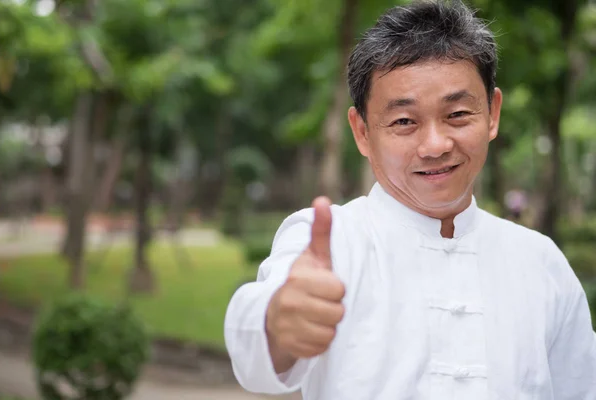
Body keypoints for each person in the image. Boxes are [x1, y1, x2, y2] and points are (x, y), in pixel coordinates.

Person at [224, 1, 596, 399]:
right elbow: (255, 352)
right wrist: (278, 322)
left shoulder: (541, 263)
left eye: (457, 114)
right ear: (362, 132)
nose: (435, 145)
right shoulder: (332, 244)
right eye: (404, 121)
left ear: (492, 113)